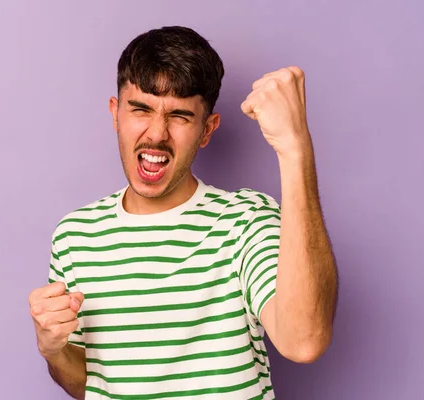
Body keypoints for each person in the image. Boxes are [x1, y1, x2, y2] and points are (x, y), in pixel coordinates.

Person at [28, 26, 338, 400]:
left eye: (179, 116)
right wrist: (52, 348)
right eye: (141, 109)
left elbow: (303, 341)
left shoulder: (246, 220)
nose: (157, 134)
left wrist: (294, 149)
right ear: (115, 114)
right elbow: (87, 385)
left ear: (207, 129)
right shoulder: (75, 234)